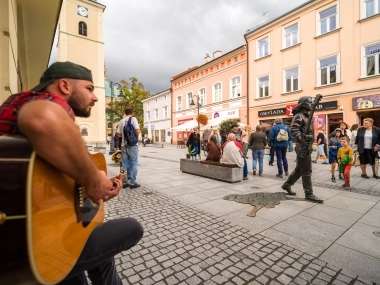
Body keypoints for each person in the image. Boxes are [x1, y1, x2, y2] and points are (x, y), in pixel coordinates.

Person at [0, 61, 144, 284]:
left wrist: (89, 185)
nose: (95, 97)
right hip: (22, 251)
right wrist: (92, 178)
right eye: (89, 88)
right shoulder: (47, 102)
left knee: (91, 239)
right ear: (65, 86)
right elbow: (43, 119)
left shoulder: (16, 104)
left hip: (28, 235)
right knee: (132, 228)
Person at [281, 96, 323, 203]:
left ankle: (287, 185)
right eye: (309, 102)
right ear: (303, 104)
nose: (311, 104)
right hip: (303, 146)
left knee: (300, 169)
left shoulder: (308, 116)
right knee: (307, 171)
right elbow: (294, 130)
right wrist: (303, 139)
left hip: (307, 146)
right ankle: (309, 193)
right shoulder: (299, 116)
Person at [116, 107, 141, 189]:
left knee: (124, 165)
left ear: (125, 112)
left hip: (123, 145)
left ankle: (125, 181)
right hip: (133, 145)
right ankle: (133, 182)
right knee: (134, 163)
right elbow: (137, 131)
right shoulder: (133, 119)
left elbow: (118, 135)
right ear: (132, 112)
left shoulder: (121, 121)